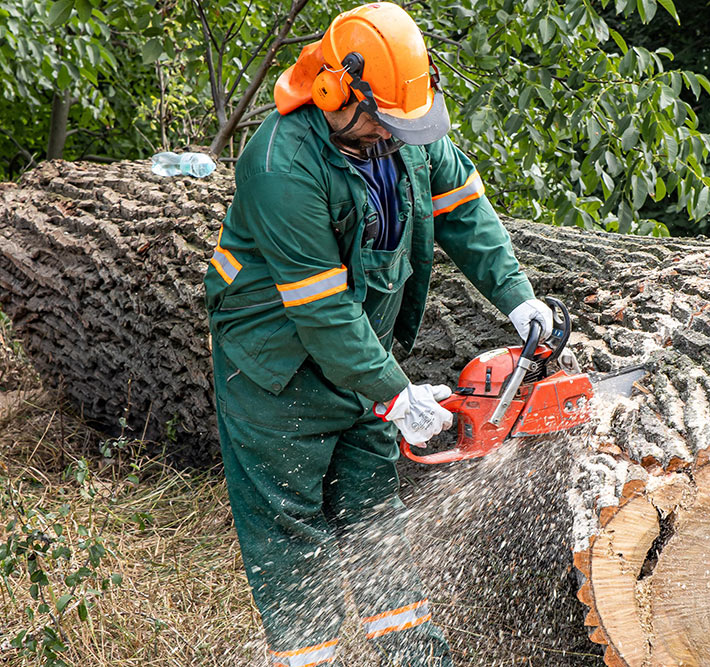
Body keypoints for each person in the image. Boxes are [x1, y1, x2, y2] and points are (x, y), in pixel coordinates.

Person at [203, 3, 552, 665]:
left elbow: (464, 210)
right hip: (275, 372)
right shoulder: (281, 165)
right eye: (385, 122)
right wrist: (394, 393)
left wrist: (518, 297)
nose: (398, 136)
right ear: (334, 92)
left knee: (374, 521)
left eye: (405, 121)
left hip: (361, 359)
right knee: (291, 539)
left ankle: (414, 658)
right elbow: (322, 310)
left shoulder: (402, 130)